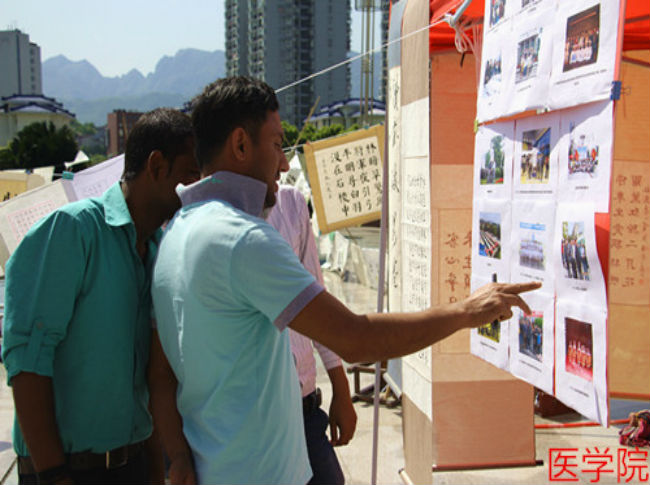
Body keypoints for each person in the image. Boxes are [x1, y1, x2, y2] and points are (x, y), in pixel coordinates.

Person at [149, 76, 540, 485]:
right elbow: (355, 338)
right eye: (277, 144)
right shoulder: (242, 238)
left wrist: (179, 457)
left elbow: (160, 373)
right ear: (241, 145)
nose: (284, 164)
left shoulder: (174, 235)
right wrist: (466, 312)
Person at [2, 108, 200, 485]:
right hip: (66, 472)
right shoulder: (73, 231)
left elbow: (149, 383)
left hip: (131, 467)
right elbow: (26, 365)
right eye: (191, 173)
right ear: (157, 166)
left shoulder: (160, 249)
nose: (197, 187)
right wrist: (53, 475)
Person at [267, 184, 356, 485]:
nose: (283, 164)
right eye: (276, 156)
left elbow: (315, 293)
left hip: (304, 409)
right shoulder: (208, 221)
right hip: (253, 419)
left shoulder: (290, 202)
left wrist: (340, 387)